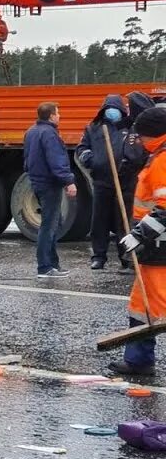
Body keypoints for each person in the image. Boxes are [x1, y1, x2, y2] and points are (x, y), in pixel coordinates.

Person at [109, 105, 166, 375]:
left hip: (159, 247)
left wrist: (139, 235)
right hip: (154, 247)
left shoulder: (163, 160)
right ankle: (138, 360)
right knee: (141, 304)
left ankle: (140, 360)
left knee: (150, 304)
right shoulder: (157, 156)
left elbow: (165, 208)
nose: (139, 142)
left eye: (142, 136)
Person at [77, 94, 147, 270]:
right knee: (99, 221)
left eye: (114, 109)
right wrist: (91, 160)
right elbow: (82, 148)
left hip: (125, 181)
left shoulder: (128, 127)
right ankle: (98, 256)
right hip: (102, 181)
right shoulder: (94, 128)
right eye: (108, 109)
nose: (111, 112)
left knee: (123, 221)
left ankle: (125, 256)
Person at [22, 102, 78, 279]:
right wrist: (69, 181)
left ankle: (52, 264)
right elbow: (56, 160)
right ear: (51, 116)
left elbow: (26, 158)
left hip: (38, 182)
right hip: (49, 184)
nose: (59, 116)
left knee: (55, 222)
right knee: (49, 225)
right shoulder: (50, 134)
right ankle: (45, 267)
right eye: (58, 113)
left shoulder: (31, 132)